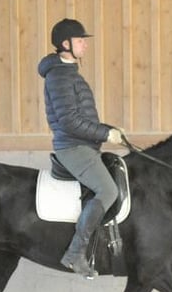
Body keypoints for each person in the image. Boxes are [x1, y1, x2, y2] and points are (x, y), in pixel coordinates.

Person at [38, 18, 125, 278]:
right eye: (80, 41)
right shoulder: (59, 76)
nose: (85, 45)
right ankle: (75, 253)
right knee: (108, 189)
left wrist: (109, 129)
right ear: (65, 44)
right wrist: (105, 133)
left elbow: (83, 116)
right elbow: (69, 121)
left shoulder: (69, 71)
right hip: (73, 147)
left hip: (85, 144)